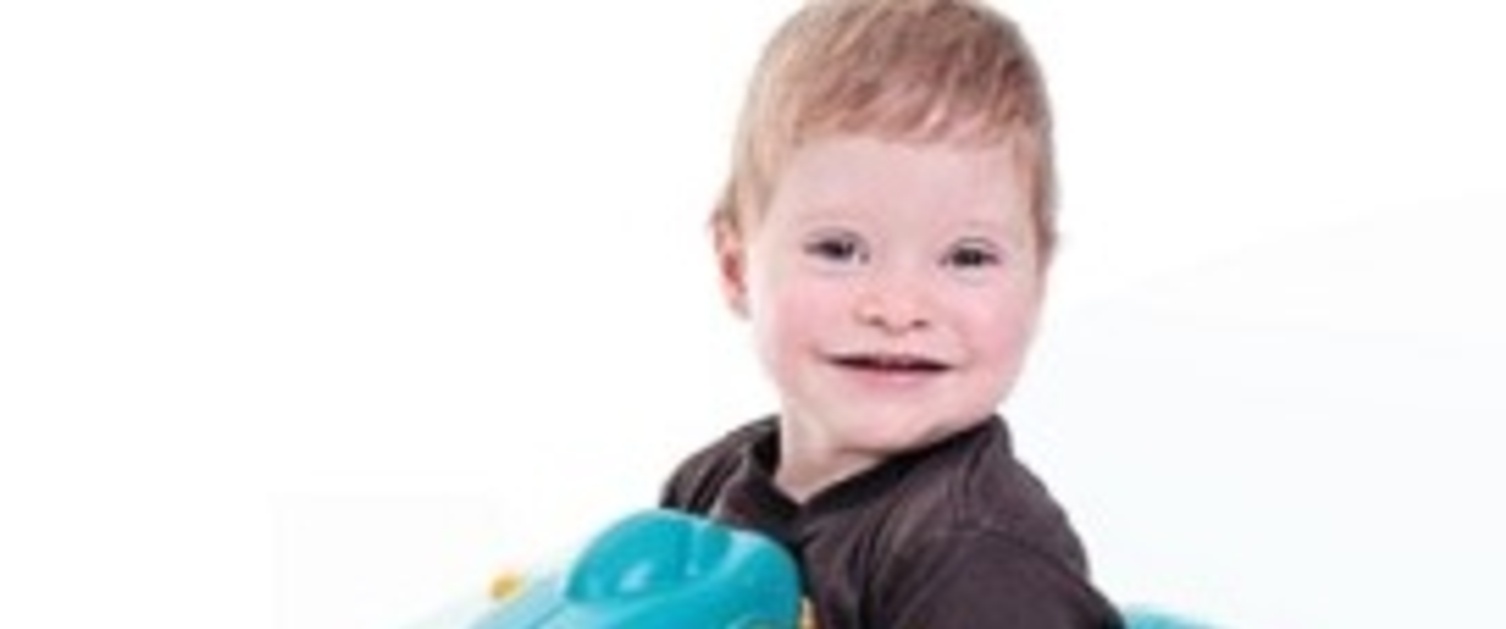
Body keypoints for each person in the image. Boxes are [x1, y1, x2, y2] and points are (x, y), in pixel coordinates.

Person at [660, 0, 1122, 626]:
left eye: (967, 257)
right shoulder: (708, 484)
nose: (900, 309)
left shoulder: (975, 558)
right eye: (839, 249)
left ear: (1037, 283)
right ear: (736, 267)